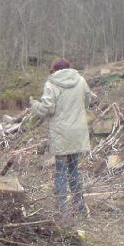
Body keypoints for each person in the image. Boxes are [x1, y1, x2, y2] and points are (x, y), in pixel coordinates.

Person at [30, 58, 91, 216]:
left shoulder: (52, 84)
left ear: (54, 70)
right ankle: (80, 207)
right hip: (78, 132)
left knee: (60, 171)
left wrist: (34, 105)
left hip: (61, 133)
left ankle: (62, 211)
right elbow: (87, 101)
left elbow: (47, 109)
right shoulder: (81, 81)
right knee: (74, 169)